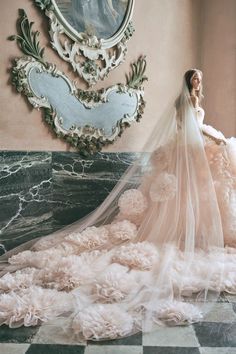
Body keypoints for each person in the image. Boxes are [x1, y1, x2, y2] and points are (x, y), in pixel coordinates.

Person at [0, 69, 235, 341]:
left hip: (195, 159)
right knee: (174, 206)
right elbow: (187, 129)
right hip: (184, 155)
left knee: (197, 203)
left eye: (200, 78)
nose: (198, 81)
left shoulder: (197, 100)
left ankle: (191, 235)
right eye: (195, 78)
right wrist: (216, 140)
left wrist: (213, 141)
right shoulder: (184, 103)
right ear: (188, 80)